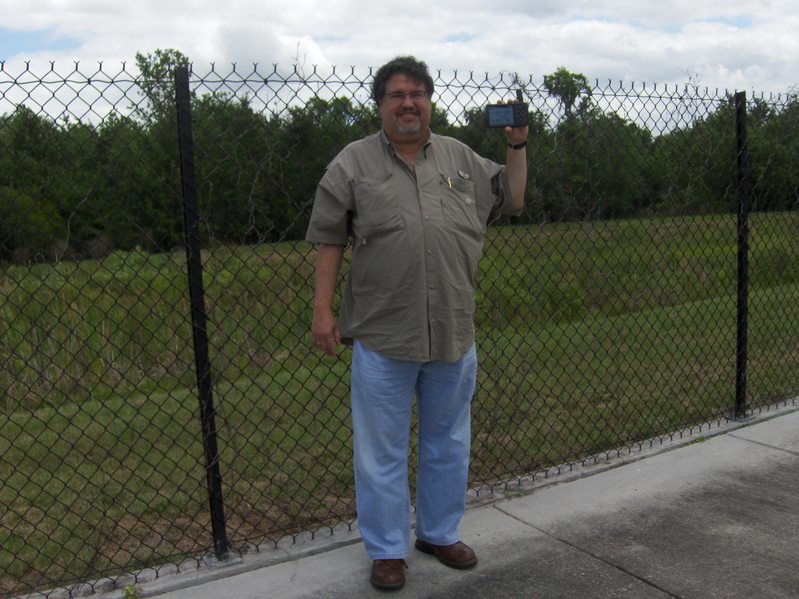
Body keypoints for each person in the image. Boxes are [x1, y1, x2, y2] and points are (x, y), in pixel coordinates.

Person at [306, 55, 528, 591]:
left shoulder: (460, 158)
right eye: (396, 95)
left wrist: (517, 145)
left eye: (417, 93)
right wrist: (322, 309)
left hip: (453, 330)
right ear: (381, 105)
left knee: (448, 440)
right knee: (380, 450)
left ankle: (437, 532)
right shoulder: (352, 164)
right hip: (384, 336)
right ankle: (386, 550)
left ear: (430, 100)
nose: (408, 103)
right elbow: (330, 236)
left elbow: (514, 199)